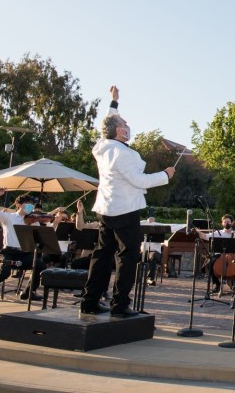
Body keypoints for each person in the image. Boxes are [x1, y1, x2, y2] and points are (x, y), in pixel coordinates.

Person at [79, 85, 175, 317]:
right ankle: (120, 305)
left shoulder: (102, 146)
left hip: (105, 208)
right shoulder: (122, 154)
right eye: (123, 124)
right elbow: (138, 181)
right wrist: (165, 175)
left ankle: (90, 301)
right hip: (124, 210)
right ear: (118, 132)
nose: (126, 125)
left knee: (102, 255)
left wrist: (114, 102)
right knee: (127, 257)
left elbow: (107, 123)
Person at [0, 188, 48, 301]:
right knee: (4, 272)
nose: (30, 207)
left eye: (31, 205)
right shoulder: (9, 217)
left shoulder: (33, 220)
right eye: (27, 204)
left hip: (24, 253)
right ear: (18, 204)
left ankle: (28, 292)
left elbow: (42, 236)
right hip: (8, 252)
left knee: (40, 266)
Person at [196, 213, 235, 292]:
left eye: (228, 221)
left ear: (231, 223)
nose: (226, 223)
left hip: (232, 256)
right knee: (210, 263)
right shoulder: (218, 233)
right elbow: (205, 236)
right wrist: (198, 231)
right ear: (222, 223)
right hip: (219, 255)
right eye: (225, 222)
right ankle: (217, 284)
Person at [140, 216, 165, 286]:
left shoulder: (158, 228)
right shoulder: (142, 225)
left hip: (155, 251)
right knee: (133, 255)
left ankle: (150, 278)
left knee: (152, 256)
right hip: (143, 251)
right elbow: (137, 223)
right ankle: (133, 278)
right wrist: (146, 221)